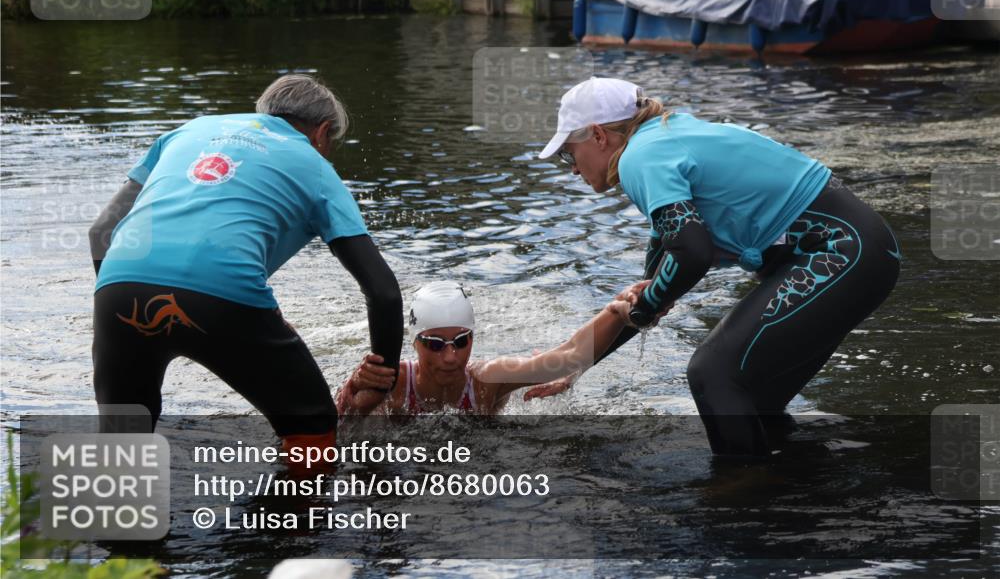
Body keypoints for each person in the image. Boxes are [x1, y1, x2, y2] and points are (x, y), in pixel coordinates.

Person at [536, 77, 901, 458]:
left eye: (568, 153)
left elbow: (692, 255)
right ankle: (795, 492)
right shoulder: (662, 140)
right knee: (752, 400)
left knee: (713, 374)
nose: (572, 169)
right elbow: (657, 285)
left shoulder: (639, 159)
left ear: (598, 136)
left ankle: (739, 502)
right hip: (861, 251)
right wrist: (579, 365)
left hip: (842, 251)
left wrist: (644, 310)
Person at [88, 74, 403, 457]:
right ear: (322, 133)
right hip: (222, 294)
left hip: (119, 284)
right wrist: (382, 379)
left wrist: (124, 302)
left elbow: (102, 231)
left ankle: (94, 514)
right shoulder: (315, 165)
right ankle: (292, 514)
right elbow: (382, 291)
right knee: (314, 423)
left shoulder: (192, 129)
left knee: (124, 432)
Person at [337, 280, 662, 415]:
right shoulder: (393, 384)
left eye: (461, 342)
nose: (450, 357)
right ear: (415, 343)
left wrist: (615, 311)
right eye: (435, 344)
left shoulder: (485, 380)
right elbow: (340, 431)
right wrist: (352, 394)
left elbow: (568, 356)